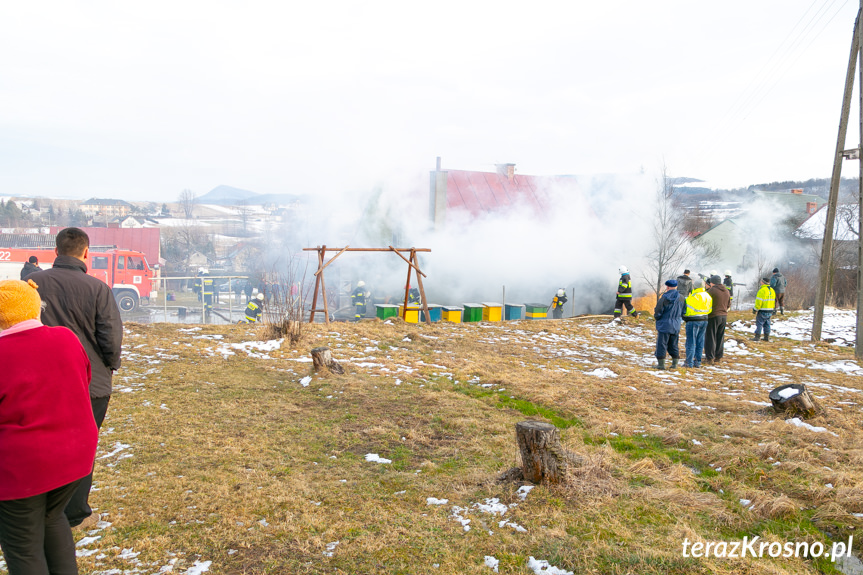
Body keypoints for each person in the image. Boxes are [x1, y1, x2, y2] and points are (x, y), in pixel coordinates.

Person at [26, 226, 123, 529]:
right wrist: (110, 365)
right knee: (82, 447)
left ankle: (40, 506)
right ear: (86, 253)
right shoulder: (98, 289)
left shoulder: (31, 285)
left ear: (55, 253)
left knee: (40, 443)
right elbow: (110, 337)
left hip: (39, 382)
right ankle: (75, 512)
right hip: (89, 383)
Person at [0, 279, 99, 575]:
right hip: (73, 457)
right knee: (52, 518)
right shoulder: (66, 338)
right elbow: (83, 380)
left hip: (23, 469)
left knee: (23, 545)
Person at [653, 279, 684, 369]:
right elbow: (684, 311)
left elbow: (658, 311)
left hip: (664, 325)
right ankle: (674, 364)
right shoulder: (682, 298)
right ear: (676, 286)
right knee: (674, 344)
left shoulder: (664, 298)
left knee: (662, 344)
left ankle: (661, 365)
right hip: (676, 325)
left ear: (667, 287)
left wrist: (657, 318)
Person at [682, 279, 711, 368]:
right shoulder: (708, 296)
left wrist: (684, 317)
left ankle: (689, 363)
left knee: (691, 342)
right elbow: (710, 310)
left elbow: (686, 310)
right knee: (700, 341)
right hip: (704, 320)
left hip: (693, 321)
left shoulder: (692, 297)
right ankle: (697, 362)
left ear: (695, 287)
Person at [704, 274, 731, 365]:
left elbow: (706, 301)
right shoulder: (726, 291)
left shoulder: (712, 290)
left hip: (714, 316)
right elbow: (728, 305)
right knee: (720, 336)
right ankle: (718, 356)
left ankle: (710, 357)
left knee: (711, 336)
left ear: (712, 282)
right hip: (724, 316)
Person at [752, 277, 776, 342]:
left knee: (759, 323)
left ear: (763, 282)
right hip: (770, 310)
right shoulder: (772, 290)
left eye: (761, 281)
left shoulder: (762, 290)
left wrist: (755, 309)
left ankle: (757, 337)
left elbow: (759, 302)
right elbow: (773, 301)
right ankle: (766, 337)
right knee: (767, 324)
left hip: (762, 310)